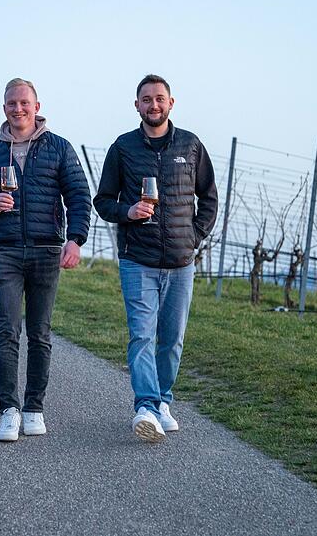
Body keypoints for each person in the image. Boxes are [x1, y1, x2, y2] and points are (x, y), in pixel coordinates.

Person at [93, 74, 218, 442]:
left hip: (181, 263)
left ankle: (163, 401)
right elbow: (103, 201)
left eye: (159, 98)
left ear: (171, 103)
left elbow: (209, 198)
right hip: (137, 259)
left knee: (172, 339)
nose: (153, 105)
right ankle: (146, 406)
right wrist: (128, 212)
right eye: (146, 99)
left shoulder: (191, 145)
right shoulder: (123, 148)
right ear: (137, 105)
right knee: (142, 336)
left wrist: (194, 236)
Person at [0, 77, 91, 442]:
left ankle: (34, 407)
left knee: (40, 333)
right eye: (11, 103)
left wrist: (75, 240)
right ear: (4, 108)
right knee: (7, 331)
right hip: (4, 250)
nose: (18, 108)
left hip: (46, 251)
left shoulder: (59, 147)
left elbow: (79, 195)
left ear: (37, 107)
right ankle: (9, 410)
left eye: (24, 103)